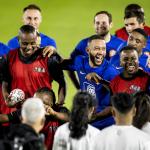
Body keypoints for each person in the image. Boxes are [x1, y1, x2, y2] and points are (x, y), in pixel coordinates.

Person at [2, 25, 66, 113]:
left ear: (37, 40)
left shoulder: (48, 58)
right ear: (18, 40)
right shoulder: (8, 58)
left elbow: (62, 82)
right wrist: (6, 99)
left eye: (33, 43)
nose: (29, 47)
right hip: (19, 114)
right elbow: (5, 81)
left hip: (42, 113)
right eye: (25, 43)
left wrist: (59, 104)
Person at [61, 35, 119, 129]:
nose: (101, 52)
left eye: (103, 49)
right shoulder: (80, 61)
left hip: (105, 124)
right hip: (86, 121)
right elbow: (62, 64)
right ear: (88, 50)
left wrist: (101, 81)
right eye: (97, 49)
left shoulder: (110, 71)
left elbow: (119, 97)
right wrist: (52, 52)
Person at [69, 11, 125, 89]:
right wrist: (78, 87)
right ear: (94, 25)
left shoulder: (121, 45)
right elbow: (70, 64)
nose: (100, 26)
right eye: (97, 23)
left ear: (111, 24)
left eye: (104, 23)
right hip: (89, 95)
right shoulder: (84, 44)